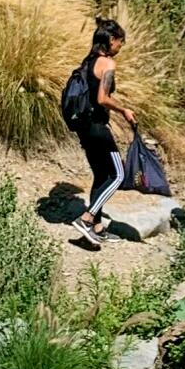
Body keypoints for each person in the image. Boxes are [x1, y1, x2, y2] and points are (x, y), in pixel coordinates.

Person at [66, 17, 135, 251]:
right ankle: (86, 218)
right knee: (118, 175)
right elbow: (102, 98)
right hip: (96, 127)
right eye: (120, 43)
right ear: (112, 40)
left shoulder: (89, 60)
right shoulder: (107, 64)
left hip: (84, 127)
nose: (120, 48)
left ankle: (96, 229)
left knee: (101, 175)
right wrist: (124, 109)